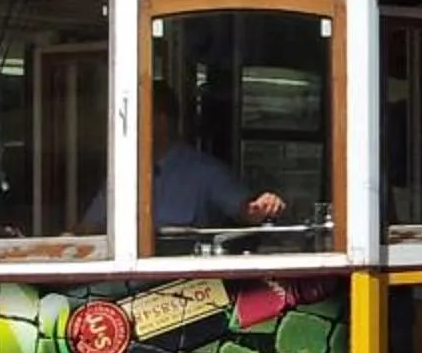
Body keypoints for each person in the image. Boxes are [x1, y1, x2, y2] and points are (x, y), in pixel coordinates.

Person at [83, 85, 285, 243]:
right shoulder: (124, 172)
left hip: (187, 285)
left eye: (137, 115)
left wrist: (263, 207)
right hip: (122, 286)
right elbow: (90, 226)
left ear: (161, 121)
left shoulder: (205, 172)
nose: (126, 125)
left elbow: (245, 211)